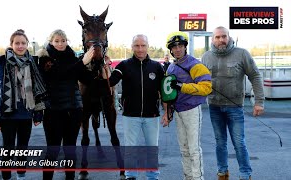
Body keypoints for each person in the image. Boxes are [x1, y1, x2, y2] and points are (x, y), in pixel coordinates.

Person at [201, 26, 264, 180]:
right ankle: (222, 172)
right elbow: (200, 82)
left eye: (224, 36)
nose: (221, 40)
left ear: (229, 37)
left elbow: (255, 76)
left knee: (239, 142)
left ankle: (245, 174)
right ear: (213, 39)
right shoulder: (206, 57)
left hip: (235, 107)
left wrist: (259, 102)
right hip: (214, 107)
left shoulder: (242, 54)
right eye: (217, 37)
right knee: (220, 142)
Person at [102, 34, 165, 180]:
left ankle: (152, 176)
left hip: (152, 115)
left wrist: (166, 112)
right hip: (131, 115)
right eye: (137, 45)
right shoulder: (124, 65)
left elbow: (164, 91)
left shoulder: (157, 67)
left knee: (151, 148)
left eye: (143, 45)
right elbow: (110, 83)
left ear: (147, 46)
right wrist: (105, 69)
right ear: (132, 47)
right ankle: (131, 175)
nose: (140, 49)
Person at [0, 29, 47, 180]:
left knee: (23, 149)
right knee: (7, 150)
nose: (20, 46)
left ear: (27, 44)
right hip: (7, 115)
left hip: (26, 114)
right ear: (11, 44)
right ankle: (6, 177)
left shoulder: (33, 63)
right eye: (17, 43)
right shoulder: (0, 64)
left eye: (23, 43)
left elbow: (37, 90)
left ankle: (21, 176)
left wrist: (38, 113)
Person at [36, 29, 94, 180]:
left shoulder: (73, 58)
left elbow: (87, 79)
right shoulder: (44, 58)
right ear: (51, 42)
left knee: (70, 150)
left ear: (67, 41)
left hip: (74, 111)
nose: (60, 44)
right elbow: (59, 74)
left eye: (63, 41)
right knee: (52, 151)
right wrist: (82, 62)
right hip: (53, 112)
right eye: (56, 41)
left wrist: (94, 64)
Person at [161, 31, 212, 180]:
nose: (177, 49)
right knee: (183, 148)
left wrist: (182, 86)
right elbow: (169, 93)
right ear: (171, 50)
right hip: (177, 111)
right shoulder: (170, 68)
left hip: (192, 110)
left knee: (194, 148)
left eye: (180, 46)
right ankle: (188, 177)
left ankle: (198, 178)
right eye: (174, 47)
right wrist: (168, 111)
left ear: (185, 47)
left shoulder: (195, 64)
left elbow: (206, 88)